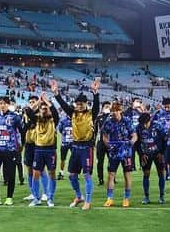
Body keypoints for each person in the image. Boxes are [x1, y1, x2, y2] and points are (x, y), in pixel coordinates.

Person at [51, 78, 100, 210]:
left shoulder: (91, 114)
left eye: (81, 104)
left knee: (87, 175)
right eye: (77, 104)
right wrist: (56, 93)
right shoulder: (72, 113)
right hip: (75, 146)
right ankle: (79, 196)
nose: (78, 106)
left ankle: (88, 201)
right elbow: (63, 104)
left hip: (87, 147)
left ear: (85, 104)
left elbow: (96, 106)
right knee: (72, 175)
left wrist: (96, 92)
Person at [0, 95, 22, 206]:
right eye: (0, 103)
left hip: (10, 149)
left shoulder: (15, 117)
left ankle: (9, 197)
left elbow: (22, 131)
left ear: (8, 104)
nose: (2, 105)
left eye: (4, 103)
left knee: (10, 173)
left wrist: (21, 146)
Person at [101, 102, 136, 207]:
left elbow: (134, 135)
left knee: (127, 175)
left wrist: (130, 143)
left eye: (117, 110)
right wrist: (108, 145)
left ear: (121, 111)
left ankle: (126, 198)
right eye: (113, 110)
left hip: (126, 152)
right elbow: (104, 136)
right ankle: (109, 198)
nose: (115, 112)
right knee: (111, 174)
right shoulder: (108, 122)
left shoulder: (127, 121)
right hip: (113, 152)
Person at [30, 94, 58, 207]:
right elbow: (27, 110)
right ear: (39, 110)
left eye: (46, 109)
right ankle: (36, 198)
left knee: (51, 174)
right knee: (35, 173)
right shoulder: (36, 119)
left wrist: (47, 102)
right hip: (38, 149)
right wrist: (38, 102)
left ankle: (50, 198)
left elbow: (55, 111)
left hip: (50, 150)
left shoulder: (53, 119)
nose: (44, 110)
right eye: (42, 109)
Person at [136, 110, 168, 204]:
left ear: (150, 120)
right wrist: (141, 154)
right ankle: (146, 197)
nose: (145, 126)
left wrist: (162, 152)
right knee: (146, 174)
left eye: (146, 123)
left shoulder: (158, 126)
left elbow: (165, 140)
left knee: (161, 173)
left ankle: (162, 196)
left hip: (158, 154)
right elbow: (137, 143)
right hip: (146, 154)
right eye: (143, 124)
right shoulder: (139, 127)